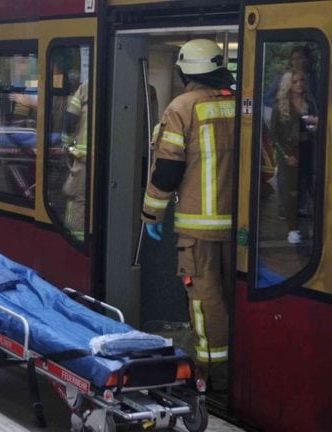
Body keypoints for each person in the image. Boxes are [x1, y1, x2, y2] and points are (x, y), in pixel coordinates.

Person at [142, 39, 235, 392]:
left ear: (183, 74)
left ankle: (210, 378)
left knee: (204, 301)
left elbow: (166, 170)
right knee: (233, 296)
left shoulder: (181, 108)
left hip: (198, 231)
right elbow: (267, 171)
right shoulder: (241, 107)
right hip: (242, 232)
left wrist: (151, 214)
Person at [270, 70, 317, 244]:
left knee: (314, 187)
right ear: (288, 84)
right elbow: (273, 135)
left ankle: (318, 226)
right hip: (290, 153)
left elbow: (319, 124)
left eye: (301, 80)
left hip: (309, 149)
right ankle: (292, 228)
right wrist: (285, 155)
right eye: (295, 81)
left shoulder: (310, 103)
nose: (299, 84)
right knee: (291, 191)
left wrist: (317, 122)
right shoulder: (281, 105)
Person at [61, 80, 89, 241]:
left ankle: (75, 240)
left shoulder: (86, 88)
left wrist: (67, 146)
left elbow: (70, 120)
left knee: (76, 200)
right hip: (117, 163)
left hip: (84, 160)